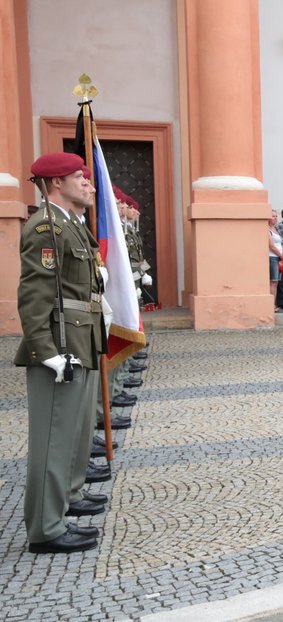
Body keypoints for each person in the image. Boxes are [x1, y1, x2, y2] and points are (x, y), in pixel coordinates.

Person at [18, 152, 105, 554]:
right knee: (53, 440)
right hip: (59, 343)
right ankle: (45, 529)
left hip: (79, 337)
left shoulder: (70, 223)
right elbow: (35, 294)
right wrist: (45, 351)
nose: (88, 184)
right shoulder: (45, 227)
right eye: (78, 178)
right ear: (56, 184)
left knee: (71, 433)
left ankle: (64, 503)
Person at [268, 209, 283, 310]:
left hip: (278, 257)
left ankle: (274, 304)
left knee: (276, 282)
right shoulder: (267, 230)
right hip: (272, 257)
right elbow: (272, 246)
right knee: (273, 281)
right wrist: (280, 254)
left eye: (276, 216)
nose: (275, 218)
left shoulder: (275, 228)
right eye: (273, 216)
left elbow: (279, 243)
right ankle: (271, 305)